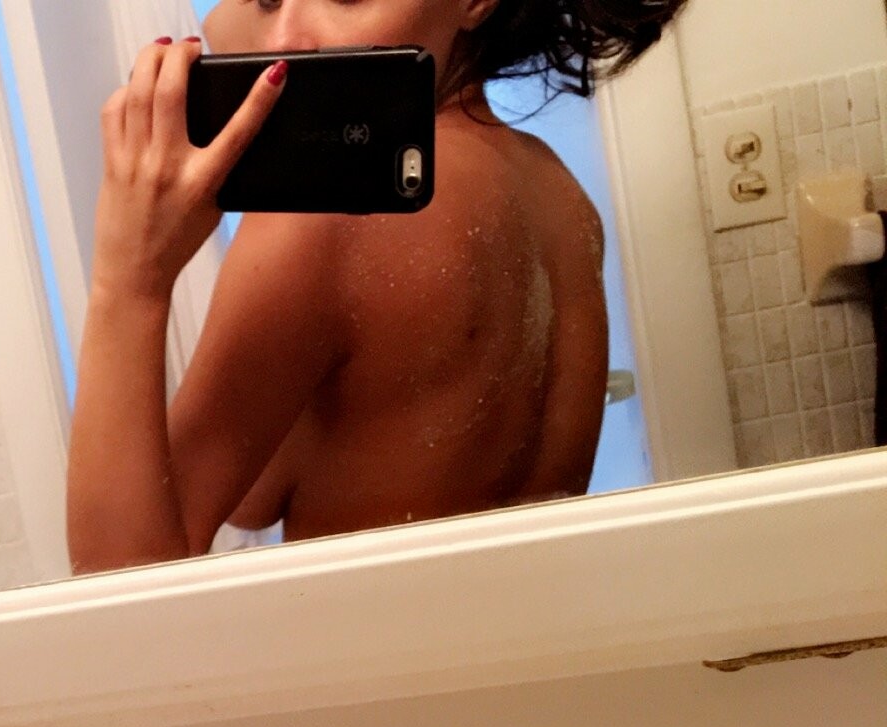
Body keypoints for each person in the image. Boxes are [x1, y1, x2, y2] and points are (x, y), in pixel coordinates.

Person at [65, 0, 687, 574]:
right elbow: (284, 482)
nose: (286, 41)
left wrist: (128, 282)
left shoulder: (328, 219)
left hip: (364, 660)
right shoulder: (564, 200)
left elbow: (118, 590)